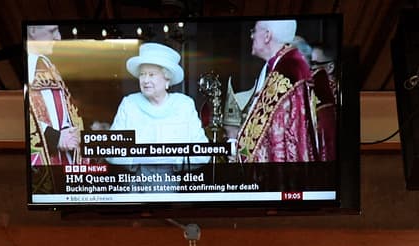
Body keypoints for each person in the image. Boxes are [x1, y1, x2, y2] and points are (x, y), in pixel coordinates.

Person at [108, 43, 210, 173]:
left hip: (172, 187)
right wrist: (141, 160)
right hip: (135, 187)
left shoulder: (184, 105)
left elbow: (203, 154)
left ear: (167, 79)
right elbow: (110, 150)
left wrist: (171, 160)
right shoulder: (129, 104)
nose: (145, 80)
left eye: (151, 74)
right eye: (142, 74)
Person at [234, 20, 318, 163]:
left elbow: (276, 137)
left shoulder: (287, 73)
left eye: (254, 31)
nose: (252, 36)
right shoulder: (280, 65)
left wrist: (242, 155)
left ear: (267, 36)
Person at [27, 24, 82, 168]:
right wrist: (54, 138)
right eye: (52, 31)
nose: (58, 37)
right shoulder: (25, 67)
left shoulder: (48, 64)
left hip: (64, 158)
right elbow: (21, 116)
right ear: (32, 31)